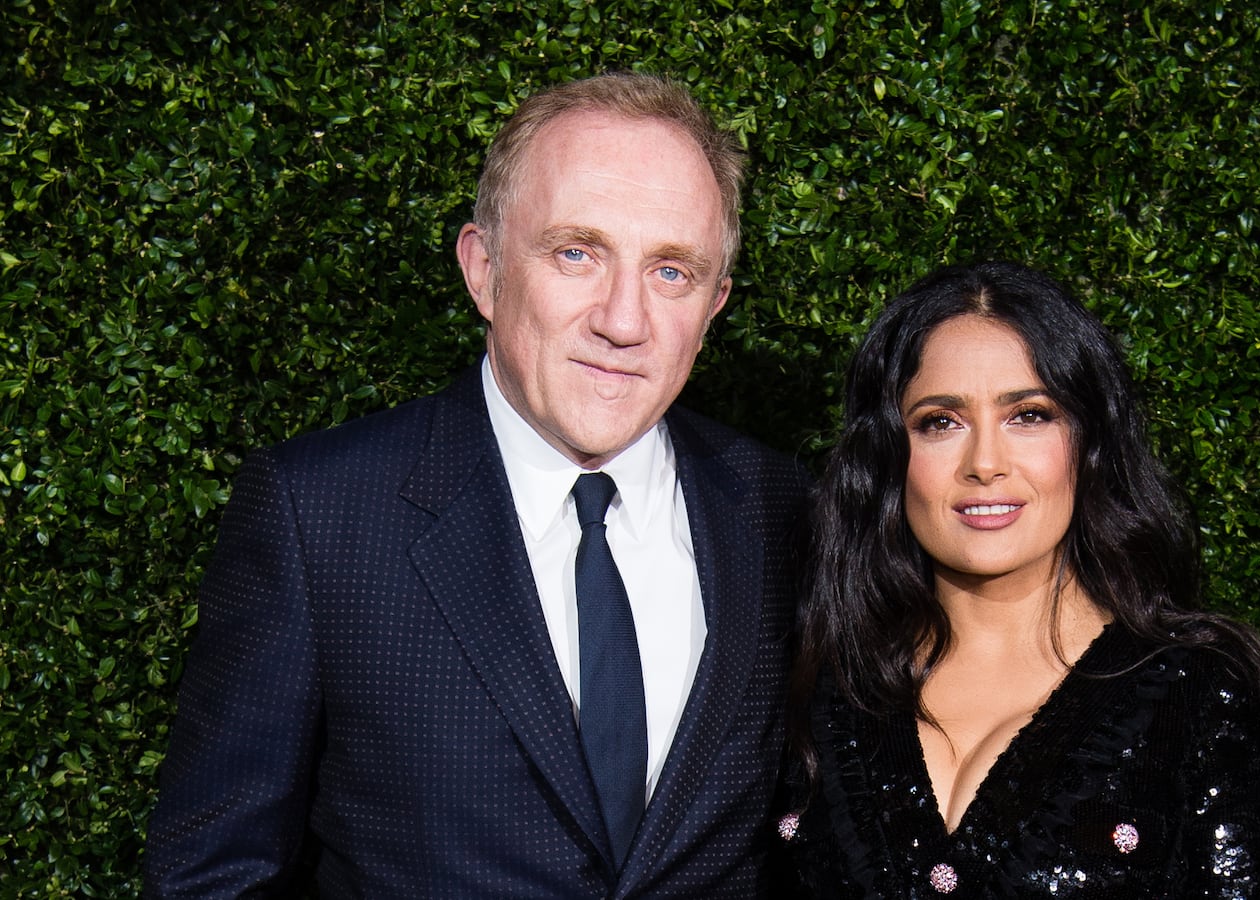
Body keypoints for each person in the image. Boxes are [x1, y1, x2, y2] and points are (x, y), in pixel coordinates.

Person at [145, 72, 809, 897]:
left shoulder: (781, 509)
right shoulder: (319, 515)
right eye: (577, 252)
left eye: (672, 271)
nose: (624, 320)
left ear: (715, 304)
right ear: (484, 268)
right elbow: (214, 876)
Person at [776, 262, 1260, 897]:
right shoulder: (823, 686)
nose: (985, 463)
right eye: (941, 422)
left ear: (1088, 440)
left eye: (1029, 415)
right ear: (888, 453)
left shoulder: (1196, 695)